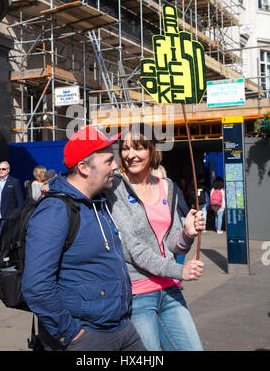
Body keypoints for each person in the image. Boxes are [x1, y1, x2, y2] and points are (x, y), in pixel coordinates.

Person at [21, 126, 146, 351]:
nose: (116, 165)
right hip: (87, 336)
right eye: (109, 161)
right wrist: (72, 335)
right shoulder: (55, 211)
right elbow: (36, 285)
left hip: (122, 328)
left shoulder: (98, 204)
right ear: (84, 168)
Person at [105, 123, 205, 351]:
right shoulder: (115, 188)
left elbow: (173, 244)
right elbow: (132, 249)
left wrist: (187, 234)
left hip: (170, 288)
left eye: (138, 147)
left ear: (152, 150)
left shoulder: (167, 186)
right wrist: (180, 270)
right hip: (138, 292)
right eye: (125, 148)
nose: (131, 155)